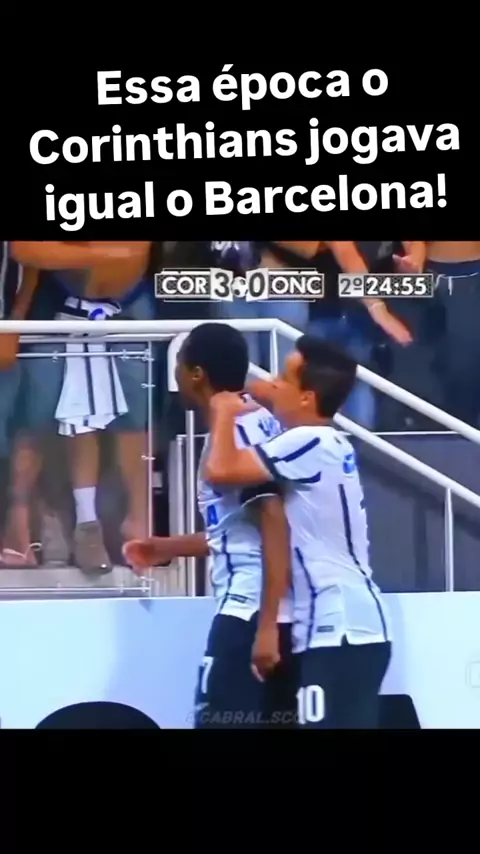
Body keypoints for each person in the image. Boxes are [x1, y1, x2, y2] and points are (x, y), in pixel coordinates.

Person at [203, 335, 392, 729]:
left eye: (283, 379)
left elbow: (220, 471)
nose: (272, 383)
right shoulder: (318, 441)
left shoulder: (310, 441)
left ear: (307, 398)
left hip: (343, 626)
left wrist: (222, 410)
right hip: (333, 626)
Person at [124, 322, 296, 729]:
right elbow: (240, 531)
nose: (176, 373)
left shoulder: (239, 430)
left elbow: (274, 521)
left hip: (249, 608)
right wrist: (166, 547)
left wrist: (266, 624)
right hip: (261, 607)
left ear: (197, 373)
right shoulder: (247, 421)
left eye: (180, 364)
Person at [3, 241, 157, 571]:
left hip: (129, 302)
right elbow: (27, 250)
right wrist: (105, 254)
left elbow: (137, 249)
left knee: (134, 419)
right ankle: (51, 525)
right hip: (56, 302)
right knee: (44, 419)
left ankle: (137, 523)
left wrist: (84, 255)